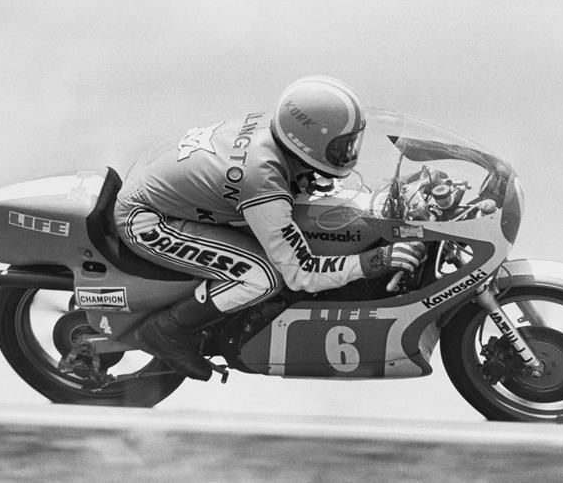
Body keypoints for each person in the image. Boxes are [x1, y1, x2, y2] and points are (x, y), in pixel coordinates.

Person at [114, 75, 426, 381]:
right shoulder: (263, 179)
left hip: (161, 183)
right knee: (263, 276)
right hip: (146, 218)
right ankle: (167, 329)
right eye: (340, 146)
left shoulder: (279, 128)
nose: (348, 153)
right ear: (310, 141)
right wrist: (375, 261)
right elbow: (301, 273)